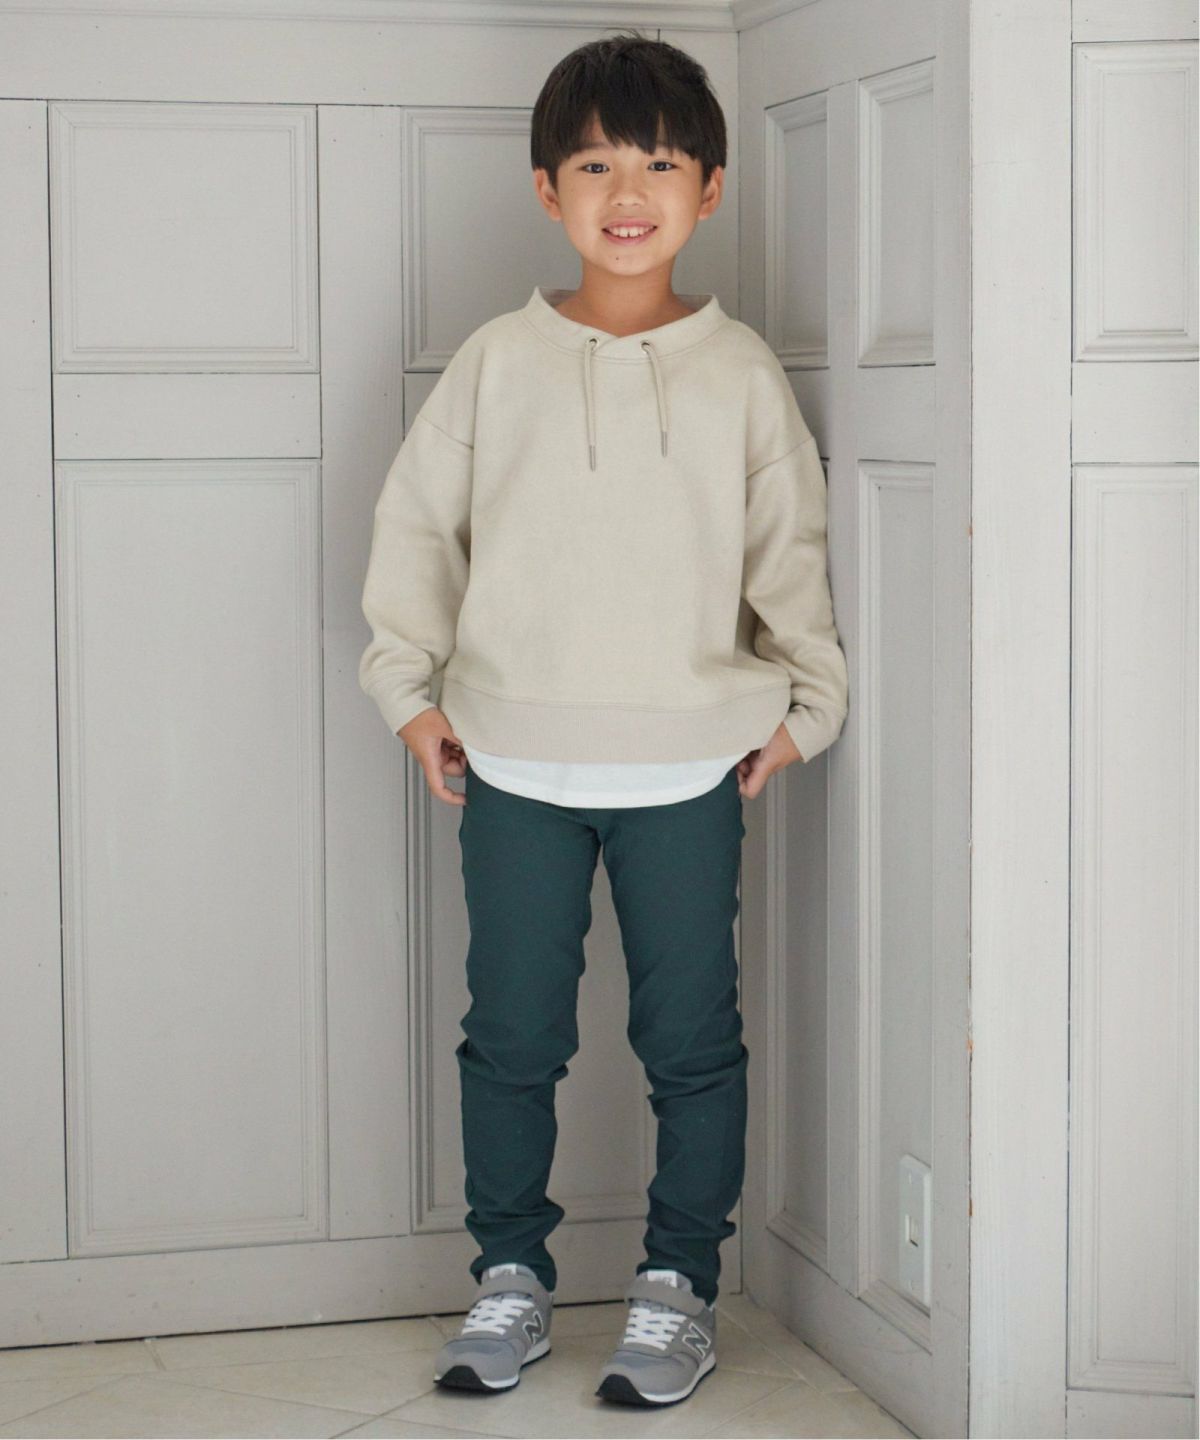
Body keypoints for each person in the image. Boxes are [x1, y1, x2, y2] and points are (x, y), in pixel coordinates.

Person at [357, 31, 849, 1409]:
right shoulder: (496, 363)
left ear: (710, 189)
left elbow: (790, 551)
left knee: (692, 1044)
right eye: (594, 166)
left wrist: (808, 708)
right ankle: (510, 1280)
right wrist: (409, 696)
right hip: (511, 763)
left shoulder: (740, 372)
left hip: (690, 769)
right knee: (513, 1039)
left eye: (660, 164)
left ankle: (677, 1289)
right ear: (546, 189)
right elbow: (417, 535)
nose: (627, 192)